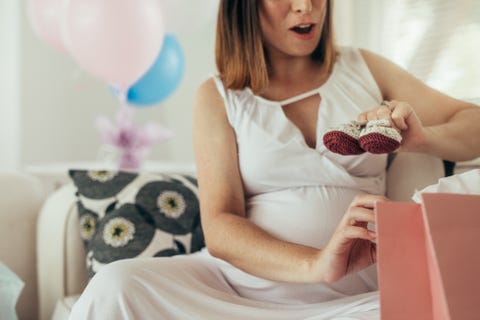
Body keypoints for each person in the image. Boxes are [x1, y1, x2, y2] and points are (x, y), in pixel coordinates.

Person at [69, 0, 480, 319]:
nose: (306, 6)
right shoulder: (219, 97)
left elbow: (473, 122)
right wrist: (317, 264)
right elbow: (222, 227)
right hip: (237, 292)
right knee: (115, 285)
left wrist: (423, 138)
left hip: (355, 299)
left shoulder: (363, 69)